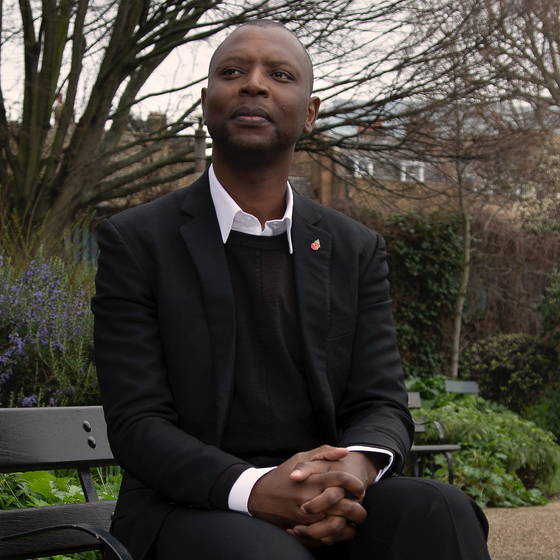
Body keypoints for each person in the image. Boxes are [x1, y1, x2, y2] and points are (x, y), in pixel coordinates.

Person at [92, 20, 491, 560]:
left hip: (322, 492)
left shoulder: (354, 248)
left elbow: (381, 402)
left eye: (279, 74)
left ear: (310, 112)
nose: (253, 85)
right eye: (232, 72)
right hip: (188, 505)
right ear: (206, 100)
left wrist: (353, 471)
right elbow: (138, 422)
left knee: (440, 510)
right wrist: (256, 489)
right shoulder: (137, 241)